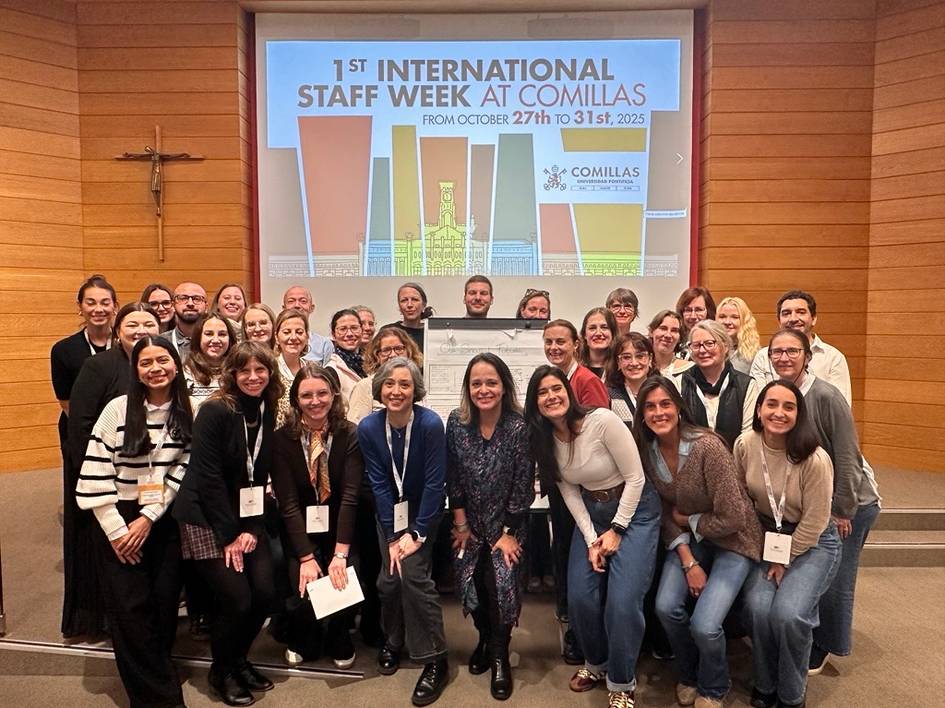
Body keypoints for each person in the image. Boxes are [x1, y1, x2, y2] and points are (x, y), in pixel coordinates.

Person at [525, 365, 660, 708]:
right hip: (593, 514)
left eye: (556, 388)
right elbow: (570, 493)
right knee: (580, 597)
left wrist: (617, 530)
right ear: (534, 402)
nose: (551, 396)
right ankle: (596, 664)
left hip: (635, 511)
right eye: (542, 392)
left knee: (622, 601)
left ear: (569, 392)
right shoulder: (544, 439)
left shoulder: (602, 420)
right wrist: (590, 539)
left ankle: (621, 680)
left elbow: (636, 478)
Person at [76, 336, 193, 707]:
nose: (156, 369)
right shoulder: (116, 410)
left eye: (163, 360)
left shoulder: (187, 410)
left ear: (176, 364)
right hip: (117, 518)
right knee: (130, 614)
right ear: (136, 370)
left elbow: (182, 468)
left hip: (159, 517)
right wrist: (117, 529)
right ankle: (157, 699)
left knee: (162, 606)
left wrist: (148, 518)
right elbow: (95, 472)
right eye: (146, 363)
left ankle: (158, 671)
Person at [633, 376, 762, 708]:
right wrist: (689, 562)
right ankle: (689, 672)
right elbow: (663, 513)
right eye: (650, 406)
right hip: (692, 542)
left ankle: (714, 685)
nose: (658, 412)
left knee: (705, 625)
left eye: (665, 404)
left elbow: (734, 517)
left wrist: (688, 520)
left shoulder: (707, 446)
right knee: (665, 607)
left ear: (678, 407)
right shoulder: (646, 452)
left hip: (735, 540)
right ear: (642, 413)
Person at [763, 329, 881, 676]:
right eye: (777, 352)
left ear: (807, 356)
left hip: (848, 502)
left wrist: (842, 509)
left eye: (792, 351)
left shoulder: (825, 396)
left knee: (836, 581)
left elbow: (848, 456)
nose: (784, 358)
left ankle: (825, 646)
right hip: (812, 500)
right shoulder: (778, 396)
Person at [173, 341, 283, 706]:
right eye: (245, 371)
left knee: (266, 593)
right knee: (237, 598)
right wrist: (230, 535)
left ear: (270, 373)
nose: (253, 377)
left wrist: (251, 529)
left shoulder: (268, 408)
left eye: (260, 370)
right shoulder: (215, 411)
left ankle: (238, 659)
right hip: (206, 515)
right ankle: (221, 670)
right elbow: (207, 478)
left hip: (245, 515)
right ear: (232, 375)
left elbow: (260, 470)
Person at [735, 381, 840, 708]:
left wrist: (784, 559)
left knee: (790, 614)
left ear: (799, 414)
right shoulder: (745, 444)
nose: (779, 413)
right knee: (758, 608)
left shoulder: (815, 458)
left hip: (814, 541)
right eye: (772, 404)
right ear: (759, 409)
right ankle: (765, 684)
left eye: (789, 406)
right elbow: (741, 499)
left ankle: (792, 696)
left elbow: (816, 520)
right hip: (766, 536)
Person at [357, 357, 449, 706]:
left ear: (416, 390)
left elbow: (434, 483)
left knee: (413, 575)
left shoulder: (429, 424)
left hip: (425, 511)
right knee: (388, 578)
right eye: (390, 384)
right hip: (391, 515)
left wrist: (418, 533)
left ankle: (433, 657)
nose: (396, 391)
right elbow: (379, 484)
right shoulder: (368, 427)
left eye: (405, 384)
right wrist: (394, 537)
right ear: (379, 387)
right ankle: (393, 639)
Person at [65, 303, 160, 639]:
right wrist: (102, 494)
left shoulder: (164, 369)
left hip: (155, 497)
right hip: (112, 492)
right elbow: (80, 430)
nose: (140, 330)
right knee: (123, 583)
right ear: (119, 331)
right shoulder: (98, 367)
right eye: (131, 324)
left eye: (148, 322)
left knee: (152, 584)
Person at [446, 354, 532, 701]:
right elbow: (453, 477)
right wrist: (462, 523)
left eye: (491, 382)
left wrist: (505, 533)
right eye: (476, 383)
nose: (484, 389)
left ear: (504, 386)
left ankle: (499, 654)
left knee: (501, 587)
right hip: (468, 525)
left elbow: (523, 483)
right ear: (468, 388)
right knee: (471, 588)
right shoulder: (457, 422)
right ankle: (483, 638)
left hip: (508, 526)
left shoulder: (518, 425)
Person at [270, 364, 363, 668]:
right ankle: (304, 635)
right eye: (306, 395)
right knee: (299, 582)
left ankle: (339, 634)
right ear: (296, 399)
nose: (315, 401)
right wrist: (307, 556)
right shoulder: (283, 438)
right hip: (300, 527)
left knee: (348, 573)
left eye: (322, 393)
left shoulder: (349, 433)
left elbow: (350, 497)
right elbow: (288, 503)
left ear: (334, 395)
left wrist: (340, 553)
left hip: (340, 525)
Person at [51, 274, 117, 638]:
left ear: (114, 306)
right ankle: (89, 615)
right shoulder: (65, 351)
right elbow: (69, 406)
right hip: (83, 443)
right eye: (90, 302)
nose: (98, 309)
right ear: (80, 307)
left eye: (104, 302)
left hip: (126, 446)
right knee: (87, 523)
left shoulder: (127, 346)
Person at [541, 318, 609, 665]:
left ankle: (577, 635)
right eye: (548, 342)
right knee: (564, 546)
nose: (554, 348)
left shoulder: (586, 381)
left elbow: (599, 436)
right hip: (563, 480)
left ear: (576, 344)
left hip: (585, 486)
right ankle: (570, 619)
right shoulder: (554, 380)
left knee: (579, 551)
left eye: (560, 342)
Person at [750, 290, 853, 407]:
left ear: (813, 318)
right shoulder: (763, 356)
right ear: (779, 321)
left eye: (801, 312)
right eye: (786, 313)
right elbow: (758, 404)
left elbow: (840, 408)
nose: (793, 318)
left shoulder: (833, 357)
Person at [680, 320, 758, 449]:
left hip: (734, 463)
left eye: (709, 344)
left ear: (726, 346)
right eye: (696, 345)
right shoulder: (681, 383)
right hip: (691, 463)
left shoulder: (746, 385)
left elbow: (748, 437)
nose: (702, 350)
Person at [348, 325, 423, 424]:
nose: (393, 355)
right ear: (377, 356)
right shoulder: (365, 386)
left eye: (398, 348)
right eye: (386, 350)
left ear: (409, 352)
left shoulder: (416, 382)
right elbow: (356, 428)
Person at [184, 313, 236, 409]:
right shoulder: (184, 374)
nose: (216, 340)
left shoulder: (237, 371)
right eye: (209, 334)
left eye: (222, 334)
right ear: (198, 337)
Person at [607, 332, 658, 428]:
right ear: (618, 362)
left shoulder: (662, 391)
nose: (634, 363)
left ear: (650, 359)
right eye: (626, 357)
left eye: (640, 356)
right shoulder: (609, 396)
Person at [273, 308, 310, 426]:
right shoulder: (270, 371)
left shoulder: (313, 369)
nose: (293, 337)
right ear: (276, 337)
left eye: (299, 332)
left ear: (307, 336)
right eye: (287, 332)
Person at [283, 285, 334, 364]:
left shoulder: (324, 344)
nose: (297, 305)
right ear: (284, 308)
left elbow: (329, 375)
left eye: (303, 301)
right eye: (291, 301)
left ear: (311, 308)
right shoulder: (275, 342)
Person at [326, 308, 366, 404]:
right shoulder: (332, 370)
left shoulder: (370, 364)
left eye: (354, 328)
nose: (349, 334)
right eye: (343, 329)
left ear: (362, 330)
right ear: (333, 335)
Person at [386, 282, 434, 354]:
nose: (409, 305)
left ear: (424, 304)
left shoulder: (432, 332)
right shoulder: (388, 331)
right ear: (399, 306)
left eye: (414, 299)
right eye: (404, 300)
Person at [716, 296, 759, 375]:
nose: (727, 322)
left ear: (744, 321)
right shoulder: (707, 349)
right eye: (722, 317)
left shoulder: (756, 354)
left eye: (734, 317)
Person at [648, 309, 694, 379]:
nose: (668, 335)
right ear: (651, 332)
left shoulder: (691, 370)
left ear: (680, 337)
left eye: (674, 330)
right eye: (663, 328)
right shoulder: (640, 368)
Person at [169, 281, 208, 359]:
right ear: (173, 306)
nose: (190, 303)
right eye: (183, 298)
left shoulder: (214, 342)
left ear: (206, 307)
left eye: (197, 299)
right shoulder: (161, 341)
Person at [579, 307, 618, 380]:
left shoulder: (621, 370)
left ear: (613, 333)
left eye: (604, 327)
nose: (598, 333)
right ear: (584, 334)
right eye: (592, 328)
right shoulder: (575, 371)